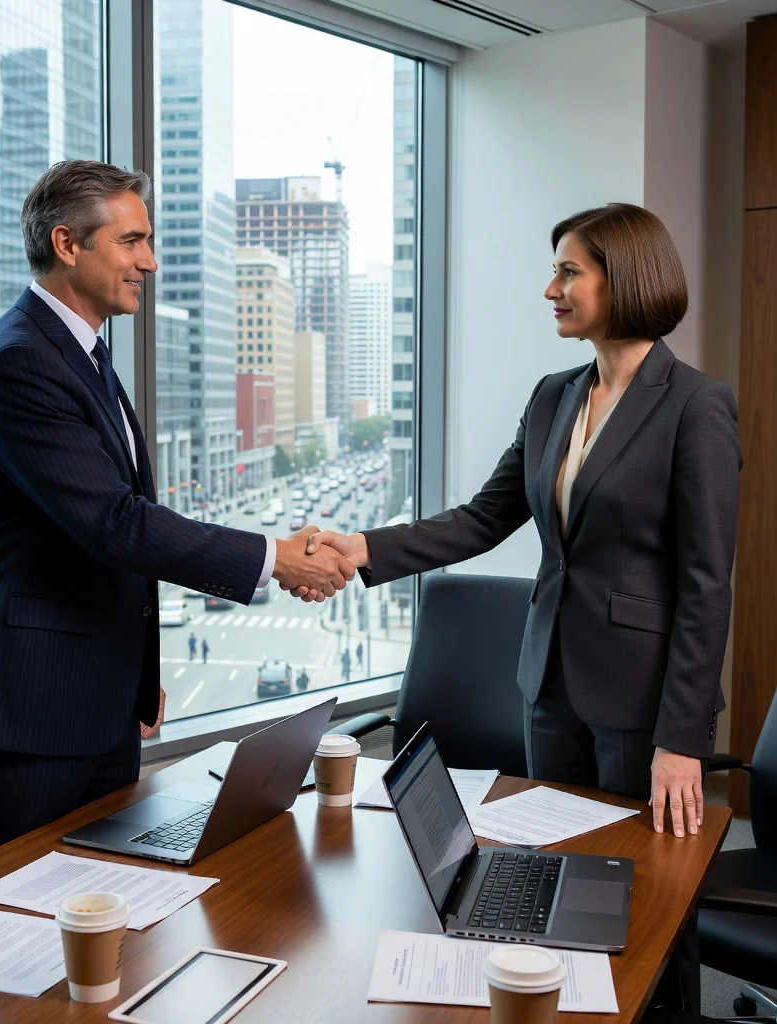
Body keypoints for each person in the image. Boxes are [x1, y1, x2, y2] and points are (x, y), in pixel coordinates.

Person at [303, 204, 740, 1013]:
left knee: (651, 910)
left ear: (626, 279)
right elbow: (482, 518)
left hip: (644, 704)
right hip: (550, 686)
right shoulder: (553, 398)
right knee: (554, 889)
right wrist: (361, 549)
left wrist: (682, 740)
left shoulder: (695, 406)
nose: (552, 288)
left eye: (569, 272)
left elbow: (707, 584)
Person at [0, 159, 354, 860]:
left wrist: (137, 677)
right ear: (67, 245)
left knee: (112, 903)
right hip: (30, 704)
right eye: (131, 242)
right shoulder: (19, 363)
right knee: (21, 921)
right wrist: (273, 556)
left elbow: (106, 533)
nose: (149, 263)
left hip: (94, 698)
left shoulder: (82, 355)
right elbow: (114, 523)